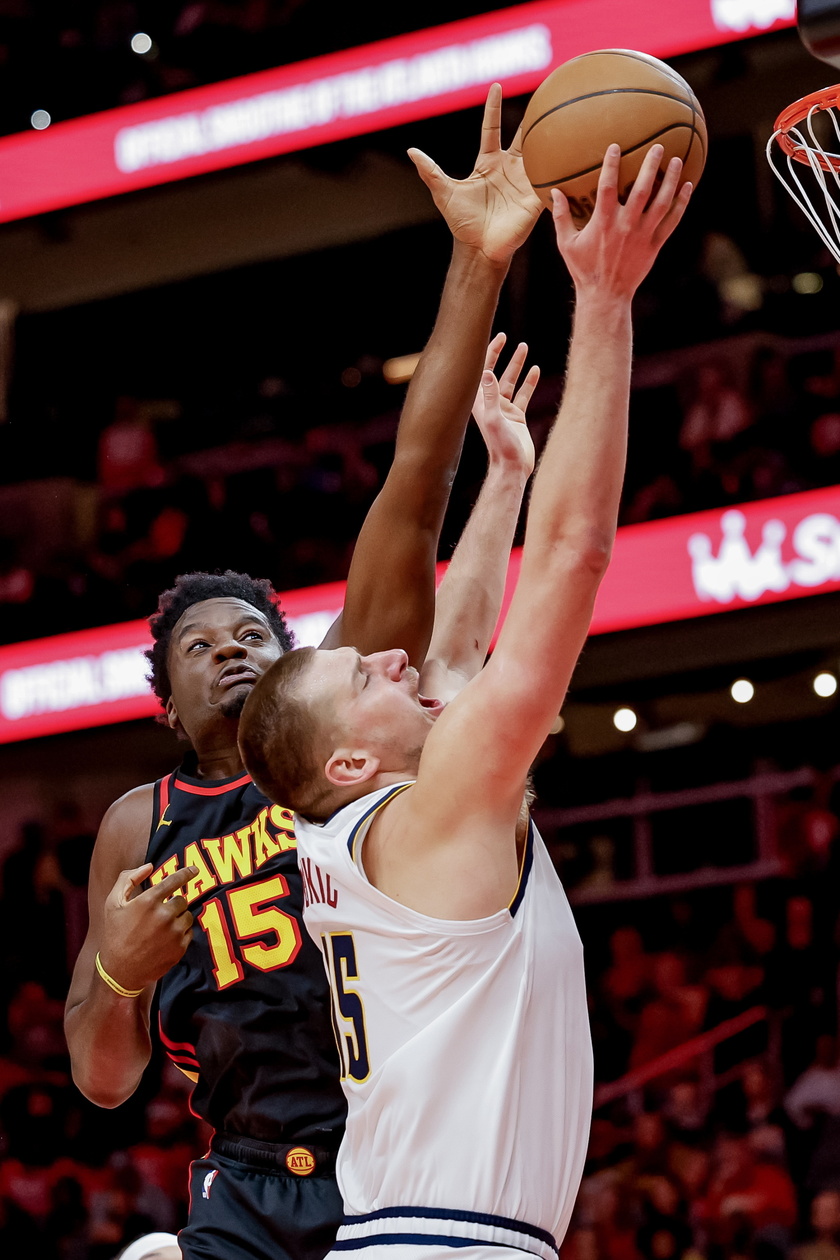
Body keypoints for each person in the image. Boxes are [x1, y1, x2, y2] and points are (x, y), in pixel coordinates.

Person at [64, 84, 543, 1260]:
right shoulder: (142, 824)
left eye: (252, 636)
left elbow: (417, 473)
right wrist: (120, 978)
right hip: (241, 1187)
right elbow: (101, 1078)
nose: (231, 646)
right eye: (198, 644)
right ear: (163, 700)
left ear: (303, 668)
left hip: (391, 1160)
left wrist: (477, 267)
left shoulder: (340, 733)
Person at [238, 144, 692, 1260]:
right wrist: (606, 299)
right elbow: (577, 561)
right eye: (363, 676)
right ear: (350, 760)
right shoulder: (432, 808)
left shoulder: (362, 826)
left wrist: (505, 481)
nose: (391, 661)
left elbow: (449, 651)